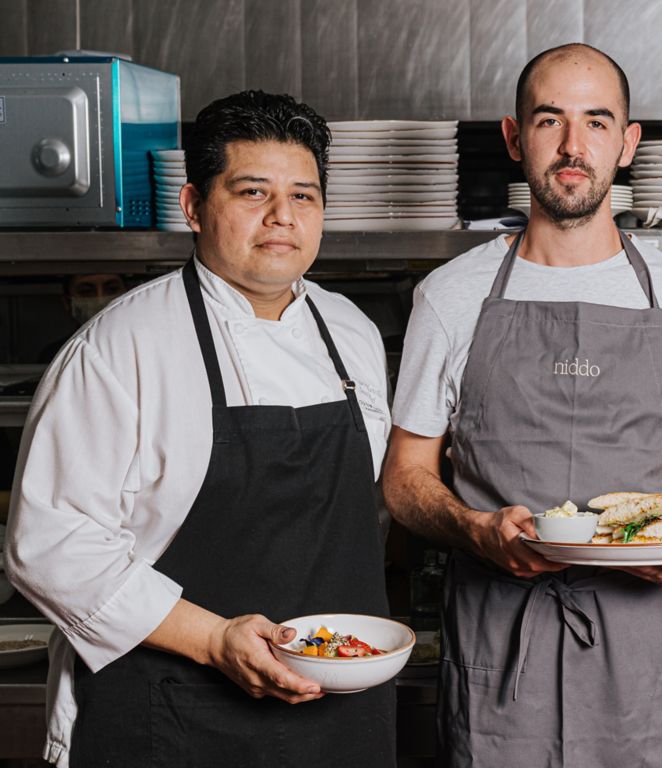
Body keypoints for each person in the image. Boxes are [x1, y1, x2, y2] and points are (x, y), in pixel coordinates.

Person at [5, 91, 395, 767]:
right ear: (192, 206)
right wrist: (216, 640)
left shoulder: (352, 336)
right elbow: (49, 543)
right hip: (172, 717)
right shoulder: (121, 347)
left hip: (338, 721)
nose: (282, 217)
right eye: (252, 192)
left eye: (303, 196)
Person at [381, 44, 662, 767]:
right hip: (499, 653)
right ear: (515, 138)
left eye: (597, 122)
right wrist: (478, 531)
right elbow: (403, 478)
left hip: (643, 659)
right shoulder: (449, 297)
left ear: (628, 143)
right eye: (551, 120)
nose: (574, 146)